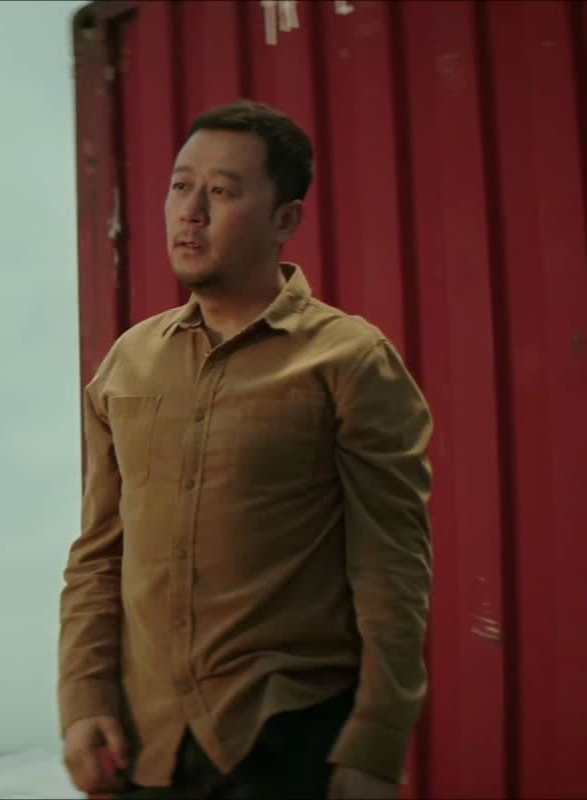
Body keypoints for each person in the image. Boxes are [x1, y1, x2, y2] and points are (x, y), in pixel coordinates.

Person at [56, 99, 434, 800]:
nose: (190, 212)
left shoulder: (349, 361)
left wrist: (377, 743)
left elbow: (392, 565)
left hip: (290, 742)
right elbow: (99, 554)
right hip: (145, 750)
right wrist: (82, 701)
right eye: (180, 186)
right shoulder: (128, 364)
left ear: (284, 220)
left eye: (222, 192)